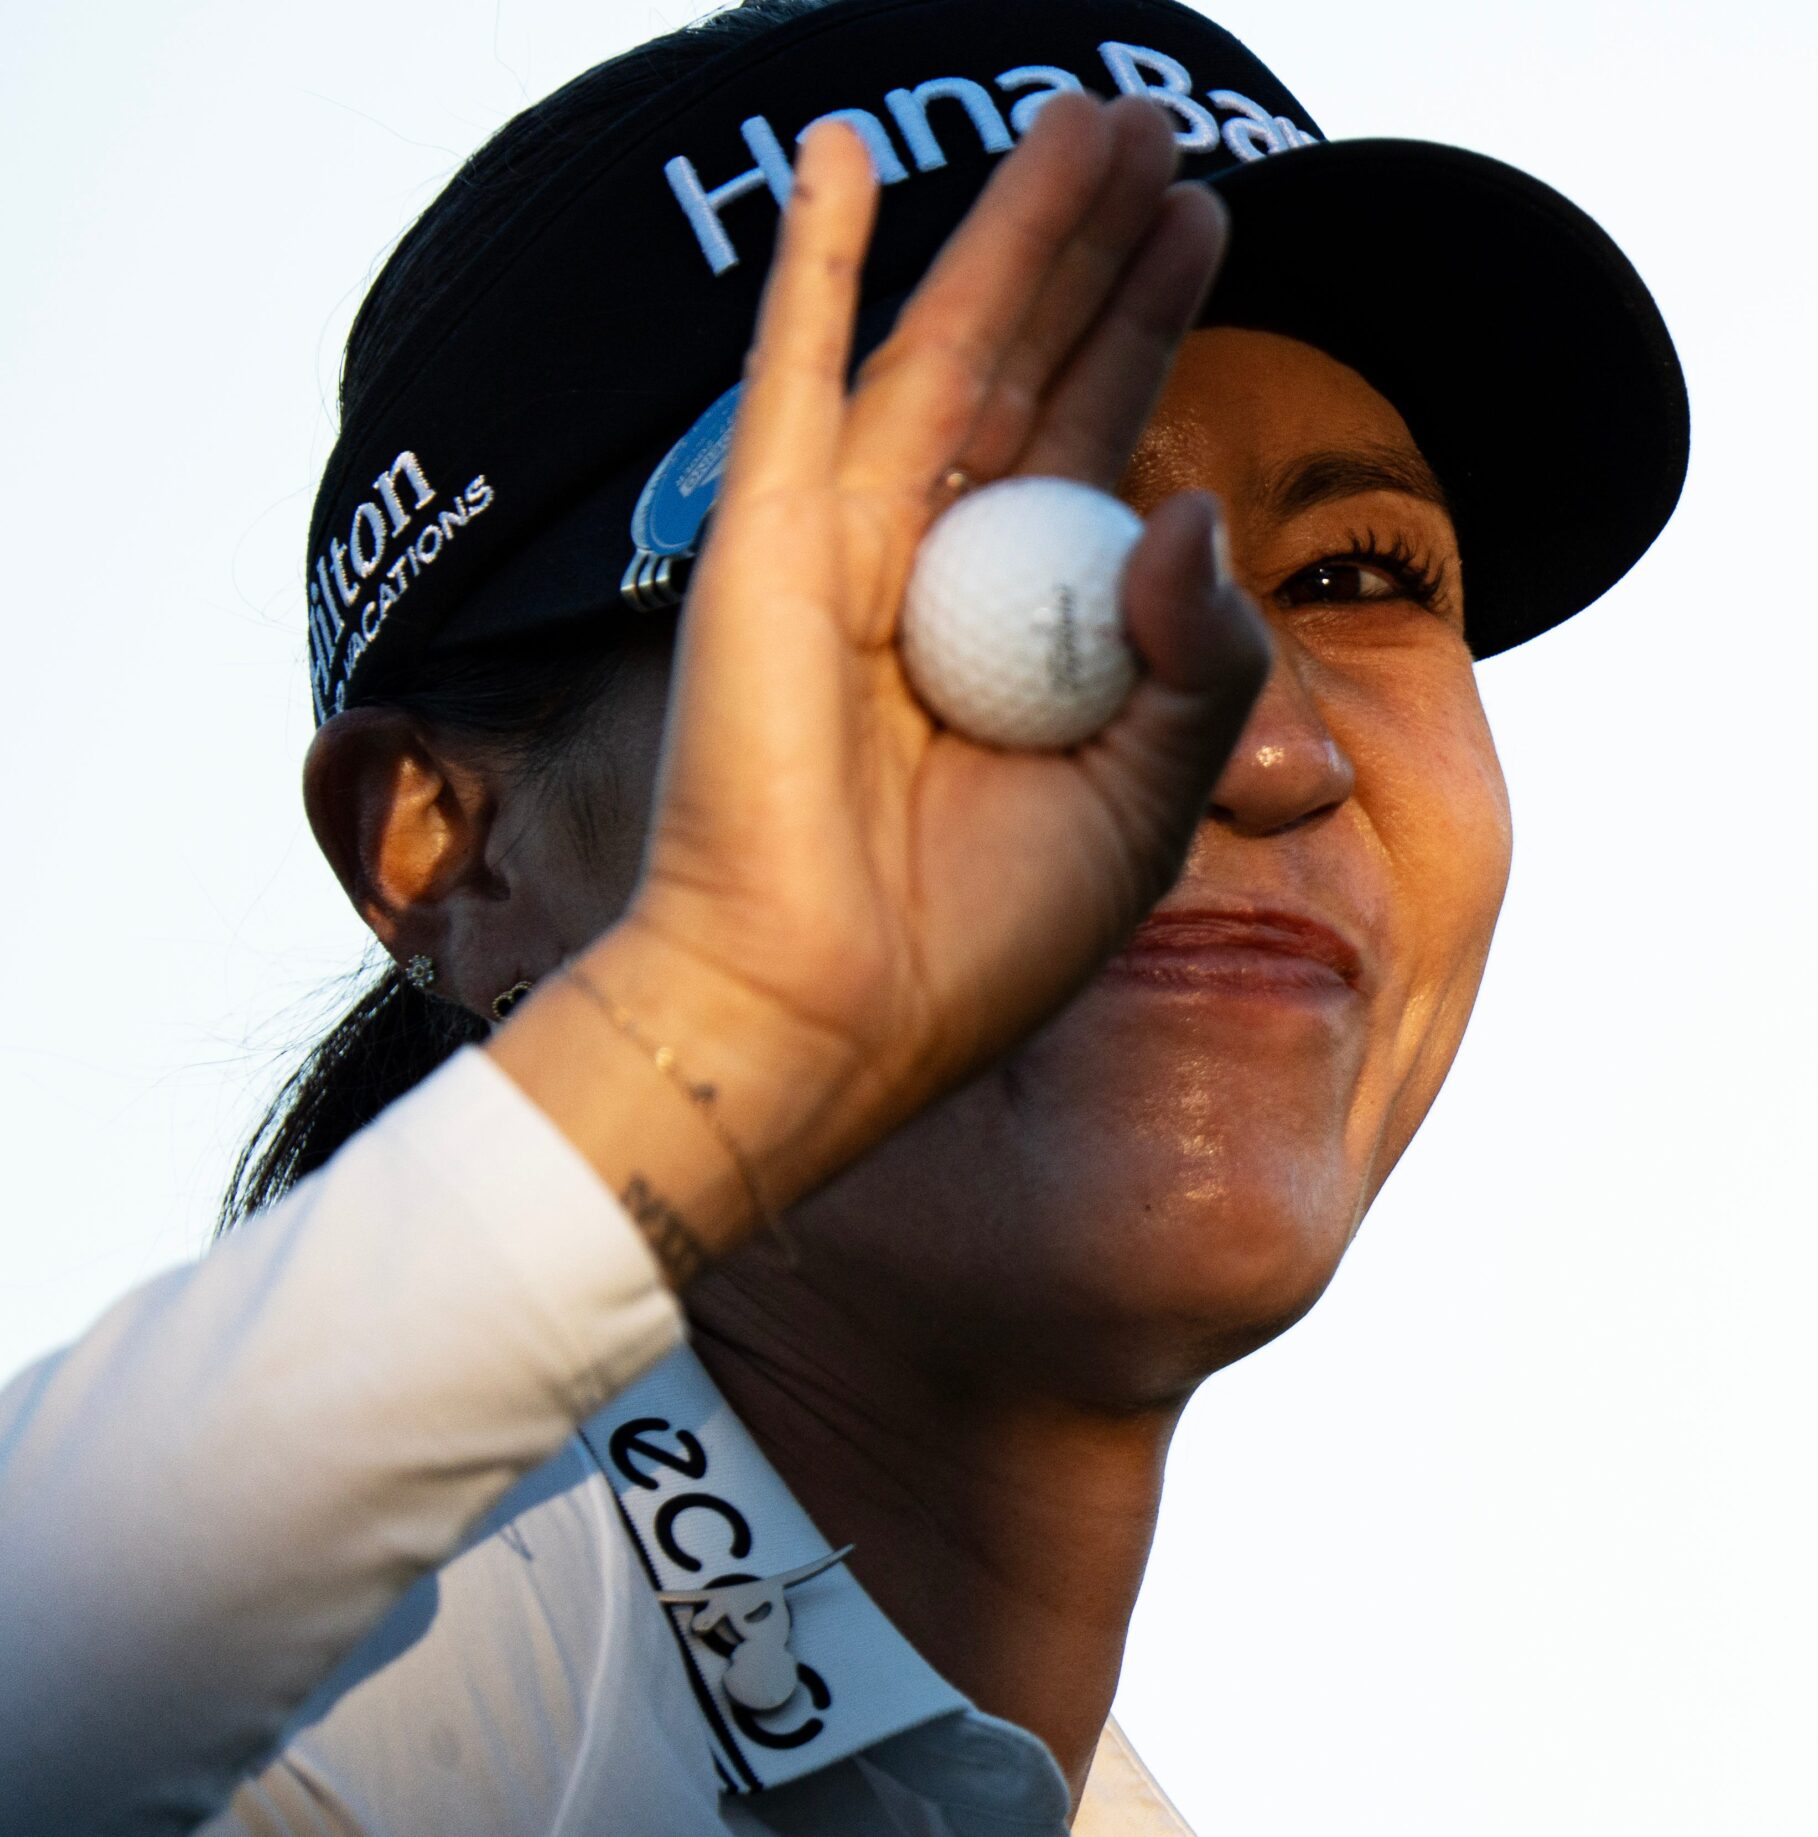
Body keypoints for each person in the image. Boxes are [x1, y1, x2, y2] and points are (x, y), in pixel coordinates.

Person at [0, 0, 1685, 1830]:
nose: (1259, 741)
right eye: (988, 582)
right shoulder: (350, 1742)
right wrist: (697, 1043)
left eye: (1356, 573)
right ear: (449, 843)